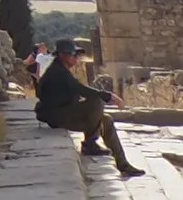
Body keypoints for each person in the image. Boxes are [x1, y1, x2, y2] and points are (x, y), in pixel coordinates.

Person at [36, 40, 146, 176]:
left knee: (106, 120)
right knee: (96, 101)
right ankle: (90, 143)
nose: (76, 57)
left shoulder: (61, 70)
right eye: (73, 54)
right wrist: (107, 96)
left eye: (76, 54)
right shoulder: (58, 72)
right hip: (55, 115)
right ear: (62, 55)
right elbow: (80, 89)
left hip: (61, 112)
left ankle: (123, 164)